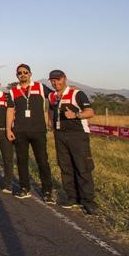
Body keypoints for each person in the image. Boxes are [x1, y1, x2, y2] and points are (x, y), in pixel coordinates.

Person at [47, 70, 97, 214]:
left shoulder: (77, 94)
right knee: (65, 166)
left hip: (78, 135)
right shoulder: (52, 96)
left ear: (64, 79)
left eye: (58, 79)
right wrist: (50, 122)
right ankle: (72, 197)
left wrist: (75, 114)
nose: (55, 83)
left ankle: (88, 201)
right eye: (53, 80)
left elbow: (90, 112)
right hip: (60, 135)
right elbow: (50, 109)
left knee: (82, 167)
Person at [6, 63, 55, 202]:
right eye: (20, 73)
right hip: (20, 131)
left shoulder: (40, 87)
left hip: (38, 130)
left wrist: (50, 120)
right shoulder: (13, 91)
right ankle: (24, 188)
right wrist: (9, 129)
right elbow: (10, 111)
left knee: (42, 162)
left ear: (30, 74)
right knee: (22, 161)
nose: (23, 74)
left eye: (25, 72)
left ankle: (47, 191)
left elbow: (53, 99)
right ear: (17, 76)